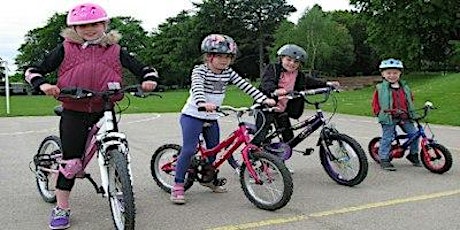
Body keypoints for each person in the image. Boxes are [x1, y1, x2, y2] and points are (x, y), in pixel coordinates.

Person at [24, 3, 158, 229]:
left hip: (105, 106)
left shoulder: (116, 49)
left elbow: (144, 68)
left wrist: (149, 80)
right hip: (74, 110)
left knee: (116, 149)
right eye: (83, 25)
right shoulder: (65, 48)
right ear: (74, 28)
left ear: (105, 24)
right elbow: (33, 70)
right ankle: (62, 207)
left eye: (95, 23)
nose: (89, 29)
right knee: (71, 163)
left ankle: (122, 191)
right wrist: (43, 84)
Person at [170, 34, 276, 204]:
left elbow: (245, 85)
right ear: (209, 56)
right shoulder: (200, 70)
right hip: (193, 115)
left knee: (214, 149)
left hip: (212, 117)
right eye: (219, 56)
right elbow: (197, 86)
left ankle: (208, 178)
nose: (224, 61)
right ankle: (178, 185)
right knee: (189, 150)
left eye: (227, 57)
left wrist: (264, 100)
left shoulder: (228, 73)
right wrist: (202, 102)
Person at [251, 44, 340, 159]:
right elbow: (266, 82)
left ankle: (277, 161)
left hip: (282, 109)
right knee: (262, 134)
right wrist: (275, 91)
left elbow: (310, 81)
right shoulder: (273, 68)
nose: (292, 63)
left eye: (296, 62)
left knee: (288, 138)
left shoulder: (298, 75)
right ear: (281, 58)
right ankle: (252, 157)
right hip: (266, 107)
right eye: (288, 60)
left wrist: (327, 84)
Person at [371, 58, 421, 171]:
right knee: (388, 138)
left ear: (400, 73)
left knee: (414, 134)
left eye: (395, 73)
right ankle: (384, 158)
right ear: (383, 74)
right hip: (389, 117)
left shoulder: (405, 87)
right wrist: (379, 113)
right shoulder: (380, 88)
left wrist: (412, 112)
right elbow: (375, 103)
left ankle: (413, 154)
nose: (392, 75)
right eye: (388, 73)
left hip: (404, 116)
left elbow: (410, 100)